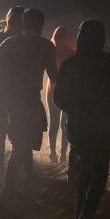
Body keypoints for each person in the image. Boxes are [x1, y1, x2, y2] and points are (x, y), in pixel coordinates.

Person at [53, 20, 110, 219]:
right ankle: (86, 214)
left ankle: (81, 210)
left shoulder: (70, 63)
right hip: (101, 123)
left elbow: (58, 97)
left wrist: (73, 109)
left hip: (77, 124)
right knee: (99, 170)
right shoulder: (108, 61)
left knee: (86, 166)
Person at [0, 8, 57, 196]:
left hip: (12, 100)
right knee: (24, 143)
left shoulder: (11, 43)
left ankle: (26, 177)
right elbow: (54, 75)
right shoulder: (46, 46)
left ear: (24, 24)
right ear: (41, 25)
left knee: (21, 141)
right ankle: (10, 185)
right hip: (31, 99)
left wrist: (6, 77)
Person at [0, 6, 25, 176]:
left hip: (7, 91)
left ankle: (6, 166)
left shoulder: (19, 39)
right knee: (3, 129)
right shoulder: (1, 37)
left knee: (6, 129)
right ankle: (1, 166)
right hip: (0, 91)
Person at [44, 27, 76, 163]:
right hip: (68, 93)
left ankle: (53, 152)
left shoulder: (51, 53)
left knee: (54, 123)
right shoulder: (73, 54)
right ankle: (62, 153)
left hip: (53, 92)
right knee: (64, 124)